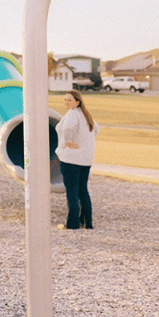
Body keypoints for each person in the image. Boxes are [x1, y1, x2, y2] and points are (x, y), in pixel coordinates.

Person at [56, 90, 98, 230]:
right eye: (65, 100)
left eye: (69, 100)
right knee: (82, 190)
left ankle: (73, 224)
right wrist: (85, 143)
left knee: (72, 192)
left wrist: (68, 141)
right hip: (85, 160)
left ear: (77, 102)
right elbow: (96, 129)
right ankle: (87, 222)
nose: (66, 102)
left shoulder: (73, 114)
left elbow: (68, 128)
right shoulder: (85, 115)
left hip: (71, 160)